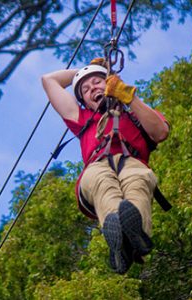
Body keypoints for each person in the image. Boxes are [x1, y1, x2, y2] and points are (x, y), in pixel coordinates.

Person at [41, 59, 169, 274]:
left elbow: (160, 132)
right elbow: (49, 80)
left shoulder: (135, 114)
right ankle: (117, 228)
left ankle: (133, 241)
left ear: (110, 84)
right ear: (84, 102)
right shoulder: (81, 118)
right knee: (102, 182)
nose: (93, 89)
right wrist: (90, 70)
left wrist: (128, 96)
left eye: (98, 83)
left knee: (138, 180)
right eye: (86, 89)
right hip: (97, 166)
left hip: (132, 162)